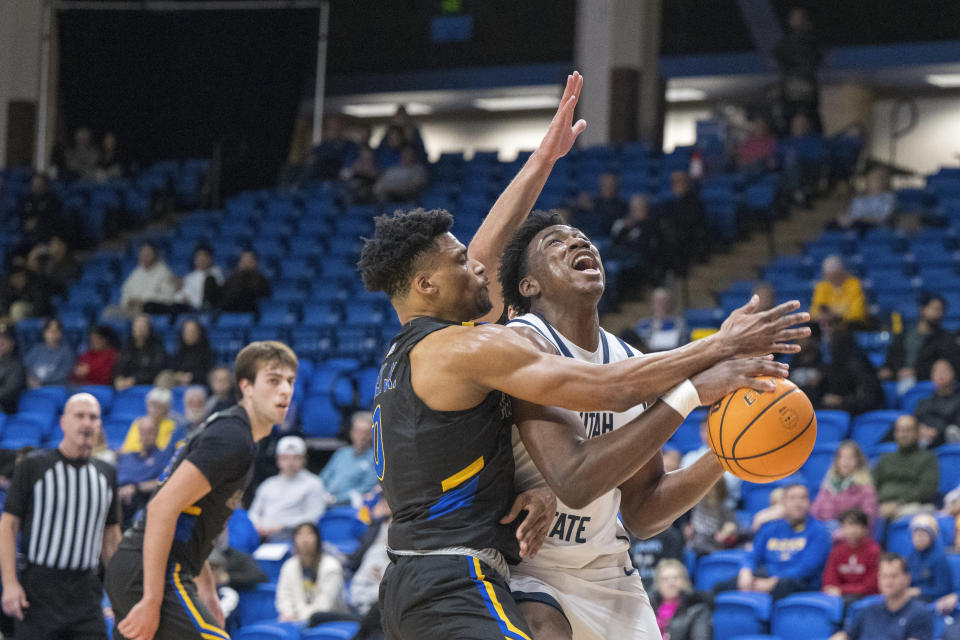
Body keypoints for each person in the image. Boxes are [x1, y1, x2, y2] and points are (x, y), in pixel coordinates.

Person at [361, 72, 807, 640]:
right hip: (514, 572)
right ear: (524, 287)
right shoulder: (507, 342)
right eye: (555, 242)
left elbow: (643, 510)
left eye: (583, 238)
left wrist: (729, 448)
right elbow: (599, 414)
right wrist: (713, 354)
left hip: (595, 571)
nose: (578, 242)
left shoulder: (623, 357)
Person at [105, 341, 298, 640]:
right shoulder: (232, 438)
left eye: (290, 381)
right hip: (151, 570)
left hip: (145, 566)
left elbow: (191, 521)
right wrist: (152, 599)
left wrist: (207, 589)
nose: (285, 390)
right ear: (246, 386)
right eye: (273, 380)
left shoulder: (235, 435)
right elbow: (161, 508)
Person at [0, 393, 122, 639]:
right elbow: (9, 526)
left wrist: (123, 595)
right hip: (39, 590)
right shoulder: (33, 466)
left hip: (86, 592)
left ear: (100, 425)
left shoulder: (106, 474)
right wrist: (10, 583)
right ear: (63, 422)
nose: (87, 423)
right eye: (79, 416)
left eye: (93, 417)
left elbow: (111, 538)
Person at [715, 484, 831, 599]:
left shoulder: (819, 532)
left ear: (809, 503)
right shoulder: (771, 529)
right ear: (784, 503)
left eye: (803, 498)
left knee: (784, 585)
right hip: (767, 576)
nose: (798, 503)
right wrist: (745, 571)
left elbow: (807, 568)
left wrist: (773, 582)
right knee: (721, 587)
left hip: (799, 583)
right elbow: (753, 555)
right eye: (792, 498)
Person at [829, 553, 933, 640]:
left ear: (907, 578)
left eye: (894, 576)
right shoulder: (868, 612)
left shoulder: (920, 614)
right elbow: (845, 636)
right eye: (884, 576)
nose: (888, 581)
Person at [248, 436, 329, 541]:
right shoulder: (268, 484)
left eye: (296, 457)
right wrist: (258, 526)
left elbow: (314, 516)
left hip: (292, 536)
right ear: (278, 459)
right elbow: (253, 512)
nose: (290, 462)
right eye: (285, 458)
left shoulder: (314, 483)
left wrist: (283, 526)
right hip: (259, 534)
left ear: (304, 459)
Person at [275, 522, 348, 625]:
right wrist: (288, 614)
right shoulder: (289, 565)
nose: (304, 539)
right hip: (294, 620)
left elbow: (325, 605)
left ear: (318, 539)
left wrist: (299, 617)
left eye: (309, 534)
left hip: (328, 621)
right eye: (300, 535)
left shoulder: (332, 566)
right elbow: (283, 596)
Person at [879, 294, 955, 392]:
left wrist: (915, 373)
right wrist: (892, 371)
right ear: (922, 309)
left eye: (941, 310)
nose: (938, 314)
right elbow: (891, 359)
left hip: (923, 381)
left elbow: (945, 365)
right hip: (897, 377)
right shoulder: (903, 335)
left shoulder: (944, 338)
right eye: (935, 309)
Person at [873, 415, 939, 520]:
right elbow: (872, 485)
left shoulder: (928, 458)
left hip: (913, 506)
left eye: (908, 430)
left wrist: (898, 502)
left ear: (917, 433)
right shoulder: (886, 458)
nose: (903, 435)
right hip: (883, 505)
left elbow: (926, 489)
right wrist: (882, 503)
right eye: (899, 430)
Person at [116, 415, 174, 528]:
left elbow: (165, 481)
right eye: (143, 431)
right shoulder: (126, 457)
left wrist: (136, 487)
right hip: (118, 501)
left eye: (150, 431)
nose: (146, 436)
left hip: (143, 502)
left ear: (157, 433)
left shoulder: (164, 456)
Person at [773, 7, 823, 134]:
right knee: (787, 115)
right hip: (790, 84)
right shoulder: (785, 43)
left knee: (810, 114)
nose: (796, 21)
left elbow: (817, 56)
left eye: (799, 18)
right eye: (794, 18)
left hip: (806, 84)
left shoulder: (813, 40)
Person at [811, 441, 878, 529]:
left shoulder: (866, 488)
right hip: (825, 533)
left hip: (851, 537)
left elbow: (867, 519)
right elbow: (815, 511)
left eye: (850, 458)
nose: (845, 461)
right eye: (841, 457)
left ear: (858, 461)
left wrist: (841, 531)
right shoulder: (828, 485)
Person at [318, 411, 379, 505]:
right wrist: (322, 495)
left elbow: (366, 488)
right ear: (352, 432)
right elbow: (323, 477)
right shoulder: (341, 453)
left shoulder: (376, 459)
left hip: (351, 506)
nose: (362, 437)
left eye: (366, 432)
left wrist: (337, 499)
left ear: (373, 434)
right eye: (358, 431)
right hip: (324, 500)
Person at [822, 508, 881, 604]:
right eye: (846, 526)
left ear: (865, 529)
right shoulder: (837, 551)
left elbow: (871, 585)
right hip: (840, 596)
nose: (851, 530)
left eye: (855, 525)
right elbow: (829, 581)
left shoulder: (874, 551)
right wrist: (837, 590)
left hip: (865, 598)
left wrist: (842, 590)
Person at [680, 421, 742, 509]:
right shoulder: (690, 457)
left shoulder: (734, 458)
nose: (707, 433)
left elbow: (730, 484)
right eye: (704, 430)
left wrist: (700, 478)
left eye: (711, 429)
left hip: (726, 509)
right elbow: (685, 485)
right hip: (693, 509)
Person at [648, 559, 712, 640]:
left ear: (684, 581)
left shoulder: (698, 609)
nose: (671, 583)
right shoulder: (648, 608)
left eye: (675, 578)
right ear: (658, 584)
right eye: (665, 579)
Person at [905, 513, 954, 603]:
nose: (918, 538)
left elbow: (943, 590)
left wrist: (920, 591)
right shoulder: (911, 557)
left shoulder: (939, 558)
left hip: (931, 602)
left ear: (932, 537)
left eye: (923, 534)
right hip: (912, 600)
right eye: (915, 534)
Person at [113, 313, 168, 391]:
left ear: (149, 329)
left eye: (142, 326)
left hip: (147, 384)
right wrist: (118, 378)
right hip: (126, 384)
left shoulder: (156, 346)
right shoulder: (127, 345)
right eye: (137, 326)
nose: (139, 329)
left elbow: (156, 370)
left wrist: (133, 380)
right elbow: (119, 365)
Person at [912, 358, 960, 447]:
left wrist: (936, 431)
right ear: (931, 377)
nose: (940, 374)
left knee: (951, 431)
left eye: (944, 370)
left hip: (946, 439)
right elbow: (915, 420)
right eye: (936, 371)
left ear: (953, 374)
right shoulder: (924, 402)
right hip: (923, 437)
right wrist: (921, 429)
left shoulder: (958, 401)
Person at [119, 243, 177, 316]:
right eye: (142, 254)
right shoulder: (137, 272)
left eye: (148, 254)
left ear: (154, 255)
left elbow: (168, 297)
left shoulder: (164, 272)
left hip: (150, 310)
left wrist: (143, 301)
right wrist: (128, 301)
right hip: (132, 307)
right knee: (109, 311)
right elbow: (125, 290)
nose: (145, 257)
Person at [685, 479, 739, 556]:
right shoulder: (698, 503)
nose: (708, 492)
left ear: (719, 490)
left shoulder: (725, 507)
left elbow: (733, 526)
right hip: (695, 546)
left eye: (711, 488)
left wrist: (725, 532)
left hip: (713, 547)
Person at [835, 166, 897, 232]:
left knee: (858, 226)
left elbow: (883, 218)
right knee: (831, 226)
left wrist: (858, 219)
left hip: (873, 227)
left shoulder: (888, 198)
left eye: (876, 178)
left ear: (884, 181)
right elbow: (849, 213)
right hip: (853, 224)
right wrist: (843, 217)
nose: (871, 181)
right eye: (870, 177)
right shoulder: (858, 198)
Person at [120, 387, 180, 454]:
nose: (153, 410)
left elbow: (164, 449)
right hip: (134, 457)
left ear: (166, 409)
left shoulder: (170, 425)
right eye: (151, 406)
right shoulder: (139, 422)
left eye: (158, 407)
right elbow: (127, 447)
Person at [811, 255, 867, 325]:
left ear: (842, 272)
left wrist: (836, 315)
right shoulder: (822, 286)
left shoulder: (854, 284)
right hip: (827, 322)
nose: (832, 279)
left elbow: (857, 314)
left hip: (848, 324)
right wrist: (824, 315)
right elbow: (814, 312)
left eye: (834, 275)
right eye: (828, 275)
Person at [570, 173, 628, 238]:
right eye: (605, 185)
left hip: (608, 238)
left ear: (616, 187)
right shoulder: (593, 202)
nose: (607, 187)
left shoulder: (622, 206)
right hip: (588, 235)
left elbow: (613, 224)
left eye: (611, 185)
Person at [23, 317, 75, 388]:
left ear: (60, 333)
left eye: (55, 331)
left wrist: (41, 383)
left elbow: (64, 374)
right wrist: (29, 379)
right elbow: (25, 367)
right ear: (44, 333)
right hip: (32, 388)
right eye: (49, 331)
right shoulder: (36, 349)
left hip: (54, 390)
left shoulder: (67, 352)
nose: (52, 334)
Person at [634, 287, 687, 352]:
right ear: (652, 304)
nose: (660, 305)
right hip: (645, 355)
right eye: (657, 301)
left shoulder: (677, 323)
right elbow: (638, 343)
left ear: (669, 304)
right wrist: (653, 330)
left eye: (663, 301)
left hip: (668, 354)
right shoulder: (643, 323)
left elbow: (681, 343)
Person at [173, 246, 224, 312]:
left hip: (207, 308)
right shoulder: (189, 277)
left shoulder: (216, 273)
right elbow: (182, 295)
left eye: (204, 258)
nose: (201, 261)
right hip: (190, 308)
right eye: (199, 258)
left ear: (210, 259)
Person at [171, 319, 215, 387]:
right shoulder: (178, 350)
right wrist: (177, 376)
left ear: (199, 332)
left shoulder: (207, 352)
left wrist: (190, 377)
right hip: (177, 384)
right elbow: (172, 369)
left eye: (192, 331)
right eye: (186, 331)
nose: (189, 334)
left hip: (198, 386)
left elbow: (208, 374)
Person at [0, 324, 25, 414]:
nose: (0, 342)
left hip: (5, 410)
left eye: (4, 339)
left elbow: (9, 392)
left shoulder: (17, 366)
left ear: (12, 343)